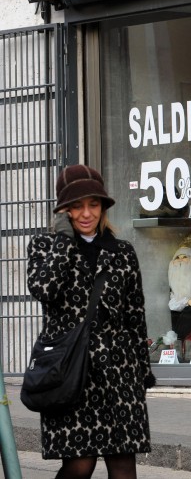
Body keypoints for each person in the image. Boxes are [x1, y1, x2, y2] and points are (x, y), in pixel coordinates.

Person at [26, 164, 156, 479]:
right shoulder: (45, 246)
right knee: (80, 465)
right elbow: (43, 290)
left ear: (102, 207)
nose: (86, 213)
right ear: (64, 210)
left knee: (124, 466)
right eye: (76, 206)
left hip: (118, 374)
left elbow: (135, 316)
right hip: (70, 373)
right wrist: (63, 242)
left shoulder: (122, 252)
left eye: (93, 204)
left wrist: (142, 372)